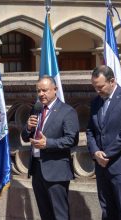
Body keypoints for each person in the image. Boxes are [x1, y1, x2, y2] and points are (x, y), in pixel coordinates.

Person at [21, 76, 79, 220]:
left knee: (59, 215)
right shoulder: (37, 108)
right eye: (38, 91)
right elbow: (24, 137)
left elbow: (72, 140)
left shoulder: (67, 111)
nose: (41, 94)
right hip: (37, 169)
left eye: (45, 90)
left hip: (56, 170)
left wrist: (48, 143)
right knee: (45, 214)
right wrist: (28, 127)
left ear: (55, 90)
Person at [86, 65, 121, 220]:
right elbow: (90, 131)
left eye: (100, 87)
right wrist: (96, 153)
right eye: (95, 87)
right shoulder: (95, 102)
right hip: (102, 167)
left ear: (112, 81)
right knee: (107, 211)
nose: (97, 90)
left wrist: (106, 154)